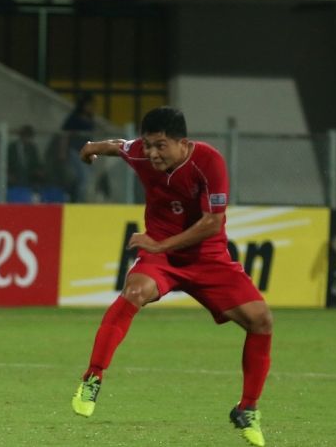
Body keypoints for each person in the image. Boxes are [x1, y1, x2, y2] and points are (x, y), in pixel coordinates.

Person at [71, 107, 272, 447]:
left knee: (261, 320)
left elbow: (211, 222)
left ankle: (247, 409)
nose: (152, 153)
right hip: (161, 256)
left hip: (207, 257)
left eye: (160, 145)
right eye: (148, 144)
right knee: (134, 292)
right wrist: (91, 146)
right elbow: (119, 145)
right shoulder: (142, 154)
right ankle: (93, 377)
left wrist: (160, 242)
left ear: (183, 143)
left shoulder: (209, 163)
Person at [58, 93, 96, 202]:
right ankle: (78, 201)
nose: (91, 107)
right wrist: (63, 152)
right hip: (75, 152)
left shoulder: (90, 119)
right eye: (89, 105)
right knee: (83, 177)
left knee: (86, 177)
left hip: (87, 152)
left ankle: (80, 199)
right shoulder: (74, 118)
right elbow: (65, 135)